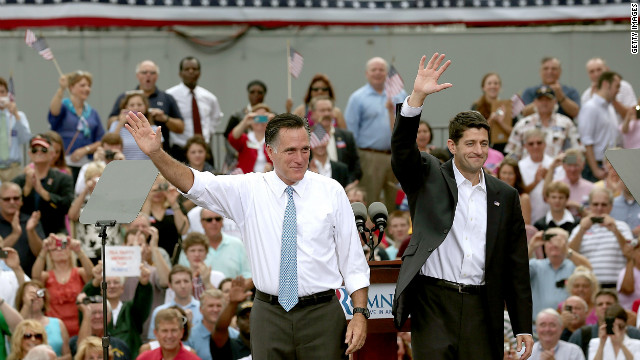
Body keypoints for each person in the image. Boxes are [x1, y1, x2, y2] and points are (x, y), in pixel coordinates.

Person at [125, 106, 370, 357]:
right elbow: (194, 183)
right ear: (270, 152)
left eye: (305, 149)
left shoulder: (331, 191)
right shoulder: (247, 190)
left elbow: (353, 262)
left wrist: (360, 314)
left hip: (322, 315)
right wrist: (156, 154)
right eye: (290, 151)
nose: (300, 158)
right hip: (269, 315)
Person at [390, 53, 533, 359]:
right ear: (452, 146)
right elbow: (402, 151)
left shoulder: (505, 195)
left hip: (484, 307)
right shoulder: (427, 175)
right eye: (470, 143)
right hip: (434, 304)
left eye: (483, 143)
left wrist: (523, 326)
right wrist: (416, 98)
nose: (478, 151)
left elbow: (517, 265)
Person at [345, 56, 407, 211]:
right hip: (369, 156)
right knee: (371, 201)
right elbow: (351, 131)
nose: (378, 73)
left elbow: (407, 123)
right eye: (374, 70)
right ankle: (370, 234)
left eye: (381, 69)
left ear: (387, 73)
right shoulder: (358, 98)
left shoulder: (400, 95)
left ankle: (393, 235)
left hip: (396, 156)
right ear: (367, 73)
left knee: (396, 201)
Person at [107, 60, 183, 154]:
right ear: (137, 75)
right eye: (144, 72)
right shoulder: (125, 96)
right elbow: (109, 124)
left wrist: (165, 118)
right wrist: (119, 119)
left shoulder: (167, 98)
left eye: (152, 73)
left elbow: (181, 127)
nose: (148, 75)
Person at [81, 263, 152, 358]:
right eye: (107, 283)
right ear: (101, 288)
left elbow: (143, 301)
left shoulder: (131, 309)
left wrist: (144, 284)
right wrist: (95, 281)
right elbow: (84, 303)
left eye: (116, 282)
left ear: (122, 288)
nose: (112, 286)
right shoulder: (94, 311)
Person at [569, 187, 633, 288]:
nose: (599, 208)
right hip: (588, 288)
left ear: (611, 206)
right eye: (595, 204)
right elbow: (569, 255)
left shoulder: (622, 226)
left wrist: (615, 230)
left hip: (615, 286)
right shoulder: (579, 228)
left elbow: (630, 253)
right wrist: (581, 231)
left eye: (604, 204)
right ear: (589, 206)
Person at [48, 71, 105, 182]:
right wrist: (61, 89)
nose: (87, 89)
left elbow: (100, 140)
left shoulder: (92, 112)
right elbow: (54, 111)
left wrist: (85, 150)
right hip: (64, 163)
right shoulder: (64, 106)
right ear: (72, 87)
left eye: (89, 86)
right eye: (82, 85)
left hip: (85, 164)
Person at [32, 234, 93, 337]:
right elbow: (35, 277)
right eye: (55, 249)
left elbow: (92, 275)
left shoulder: (79, 273)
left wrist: (78, 250)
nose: (59, 250)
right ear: (50, 255)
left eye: (63, 246)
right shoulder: (46, 276)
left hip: (81, 328)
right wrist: (44, 249)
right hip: (54, 331)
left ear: (70, 251)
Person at [12, 135, 74, 236]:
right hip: (25, 233)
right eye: (34, 150)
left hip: (54, 232)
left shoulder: (63, 179)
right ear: (29, 153)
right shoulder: (20, 180)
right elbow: (9, 206)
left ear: (52, 153)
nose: (39, 152)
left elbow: (66, 205)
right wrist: (26, 189)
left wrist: (43, 192)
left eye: (44, 150)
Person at [528, 228, 591, 322]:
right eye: (550, 241)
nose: (554, 244)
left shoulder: (573, 266)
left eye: (559, 241)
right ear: (544, 245)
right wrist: (531, 246)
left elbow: (588, 269)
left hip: (567, 324)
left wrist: (566, 250)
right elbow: (515, 271)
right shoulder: (536, 265)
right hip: (537, 326)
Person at [166, 56, 222, 162]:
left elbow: (216, 117)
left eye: (194, 69)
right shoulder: (170, 95)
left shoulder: (209, 97)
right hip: (180, 148)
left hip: (203, 148)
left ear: (199, 73)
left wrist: (206, 135)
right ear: (180, 73)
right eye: (187, 69)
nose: (191, 72)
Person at [506, 86, 581, 160]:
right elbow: (512, 154)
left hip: (557, 169)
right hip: (527, 170)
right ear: (535, 102)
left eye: (548, 100)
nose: (544, 103)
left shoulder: (566, 123)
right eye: (540, 100)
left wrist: (565, 166)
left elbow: (578, 151)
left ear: (555, 102)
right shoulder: (523, 124)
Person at [68, 162, 123, 264]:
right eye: (91, 179)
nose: (95, 183)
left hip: (113, 253)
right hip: (87, 254)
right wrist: (85, 190)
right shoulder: (81, 201)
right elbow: (72, 216)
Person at [178, 209, 251, 282]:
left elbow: (249, 275)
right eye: (209, 220)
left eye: (218, 219)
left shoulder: (237, 244)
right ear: (202, 222)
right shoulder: (190, 247)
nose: (214, 222)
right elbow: (181, 277)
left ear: (222, 221)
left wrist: (235, 291)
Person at [568, 290, 640, 358]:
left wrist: (621, 343)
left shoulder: (635, 334)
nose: (604, 307)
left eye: (608, 304)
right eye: (600, 304)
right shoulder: (584, 334)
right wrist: (601, 344)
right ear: (595, 310)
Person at [578, 72, 622, 182]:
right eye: (617, 86)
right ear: (606, 84)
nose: (618, 91)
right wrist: (595, 169)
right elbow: (587, 141)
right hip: (597, 166)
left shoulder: (610, 108)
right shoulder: (590, 107)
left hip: (610, 165)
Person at [309, 96, 361, 184]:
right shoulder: (307, 137)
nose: (326, 114)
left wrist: (347, 184)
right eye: (322, 110)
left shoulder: (346, 137)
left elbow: (356, 167)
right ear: (313, 114)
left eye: (329, 110)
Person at [15, 281, 71, 359]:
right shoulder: (17, 324)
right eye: (31, 294)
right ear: (22, 298)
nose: (36, 297)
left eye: (39, 294)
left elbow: (68, 355)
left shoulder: (58, 323)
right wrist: (27, 305)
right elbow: (14, 331)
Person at [147, 265, 202, 341]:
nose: (183, 286)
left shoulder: (203, 308)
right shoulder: (159, 311)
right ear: (170, 286)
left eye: (186, 281)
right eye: (177, 282)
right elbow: (153, 342)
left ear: (192, 283)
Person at [0, 182, 44, 273]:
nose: (12, 202)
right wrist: (15, 234)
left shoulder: (31, 221)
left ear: (21, 201)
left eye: (16, 198)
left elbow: (40, 254)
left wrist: (31, 231)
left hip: (29, 279)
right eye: (7, 199)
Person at [141, 175, 190, 258]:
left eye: (161, 187)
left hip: (174, 255)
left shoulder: (174, 206)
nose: (157, 192)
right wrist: (148, 199)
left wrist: (173, 202)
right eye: (152, 187)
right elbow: (142, 229)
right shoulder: (141, 207)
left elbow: (184, 230)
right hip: (148, 255)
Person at [581, 58, 637, 125]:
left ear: (607, 69)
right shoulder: (586, 96)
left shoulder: (623, 87)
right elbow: (587, 122)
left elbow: (634, 116)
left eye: (599, 70)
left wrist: (612, 99)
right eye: (592, 72)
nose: (596, 74)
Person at [185, 289, 238, 360]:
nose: (215, 310)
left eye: (219, 306)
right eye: (210, 306)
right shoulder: (189, 337)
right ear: (201, 309)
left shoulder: (235, 335)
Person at [72, 295, 129, 360]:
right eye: (93, 313)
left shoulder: (120, 345)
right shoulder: (75, 342)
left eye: (101, 312)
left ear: (110, 316)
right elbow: (80, 350)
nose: (97, 316)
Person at [210, 277, 251, 360]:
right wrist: (233, 303)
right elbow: (220, 330)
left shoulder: (266, 345)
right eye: (244, 317)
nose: (249, 321)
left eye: (252, 317)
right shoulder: (231, 346)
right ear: (237, 322)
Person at [109, 92, 160, 160]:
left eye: (139, 105)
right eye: (132, 105)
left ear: (145, 107)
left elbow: (159, 155)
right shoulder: (116, 125)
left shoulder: (154, 129)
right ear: (126, 107)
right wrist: (121, 122)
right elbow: (110, 145)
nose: (136, 108)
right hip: (122, 166)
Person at [544, 149, 594, 217]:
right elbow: (545, 197)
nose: (572, 169)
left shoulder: (591, 188)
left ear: (583, 165)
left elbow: (594, 215)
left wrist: (578, 206)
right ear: (564, 166)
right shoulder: (557, 186)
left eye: (576, 165)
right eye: (569, 165)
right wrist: (552, 167)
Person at [227, 103, 274, 174]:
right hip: (246, 180)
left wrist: (275, 121)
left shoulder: (274, 140)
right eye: (257, 118)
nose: (260, 121)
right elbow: (232, 138)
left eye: (263, 118)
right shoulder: (245, 138)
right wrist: (245, 121)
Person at [471, 72, 512, 153]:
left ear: (500, 87)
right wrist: (491, 120)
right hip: (483, 149)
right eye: (489, 83)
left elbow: (514, 133)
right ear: (483, 87)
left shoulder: (507, 106)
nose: (493, 86)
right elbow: (475, 131)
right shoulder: (477, 107)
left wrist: (501, 123)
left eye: (496, 83)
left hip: (503, 149)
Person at [136, 308, 201, 360]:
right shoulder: (145, 358)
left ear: (181, 332)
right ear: (156, 334)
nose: (169, 336)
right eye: (164, 331)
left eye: (174, 330)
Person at [0, 77, 31, 182]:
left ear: (8, 94)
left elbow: (25, 139)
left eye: (2, 92)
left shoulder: (19, 116)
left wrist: (16, 115)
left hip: (13, 168)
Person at [497, 158, 532, 225]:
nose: (507, 177)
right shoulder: (492, 195)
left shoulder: (523, 198)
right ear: (499, 174)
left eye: (511, 173)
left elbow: (526, 226)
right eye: (504, 173)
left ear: (516, 175)